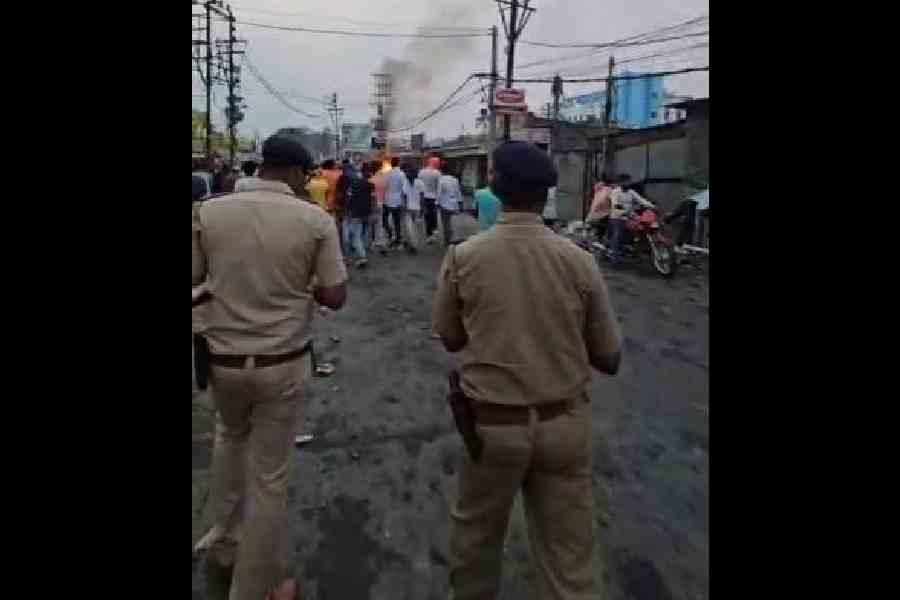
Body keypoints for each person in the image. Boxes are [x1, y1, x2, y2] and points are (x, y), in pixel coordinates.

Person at [432, 141, 622, 600]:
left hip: (492, 429)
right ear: (546, 195)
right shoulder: (579, 260)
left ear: (494, 188)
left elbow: (452, 338)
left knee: (475, 543)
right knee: (569, 558)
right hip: (563, 426)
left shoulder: (463, 258)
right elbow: (609, 357)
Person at [192, 134, 348, 600]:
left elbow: (195, 277)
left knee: (229, 443)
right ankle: (255, 587)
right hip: (281, 363)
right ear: (299, 174)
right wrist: (304, 289)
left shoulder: (210, 212)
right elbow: (336, 296)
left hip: (223, 363)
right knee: (269, 477)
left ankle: (222, 549)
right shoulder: (314, 220)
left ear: (261, 166)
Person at [344, 163, 374, 268]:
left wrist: (347, 210)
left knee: (355, 236)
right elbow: (372, 199)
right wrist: (372, 212)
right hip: (366, 213)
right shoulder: (370, 185)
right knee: (363, 234)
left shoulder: (354, 184)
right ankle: (360, 254)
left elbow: (349, 199)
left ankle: (362, 257)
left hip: (355, 213)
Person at [384, 157, 409, 249]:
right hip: (398, 201)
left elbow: (384, 187)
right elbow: (404, 190)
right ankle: (398, 238)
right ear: (398, 163)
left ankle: (391, 236)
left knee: (387, 220)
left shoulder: (387, 173)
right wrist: (405, 202)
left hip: (387, 201)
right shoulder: (401, 174)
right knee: (397, 221)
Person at [437, 166, 462, 246]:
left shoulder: (441, 180)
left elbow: (439, 193)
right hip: (454, 203)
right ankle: (454, 238)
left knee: (445, 223)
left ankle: (447, 240)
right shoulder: (455, 180)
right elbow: (458, 192)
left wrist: (437, 203)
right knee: (453, 222)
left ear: (442, 172)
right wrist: (460, 202)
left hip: (444, 205)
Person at [419, 157, 442, 244]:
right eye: (438, 163)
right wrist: (438, 200)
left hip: (424, 196)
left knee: (427, 216)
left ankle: (429, 234)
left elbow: (418, 184)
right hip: (433, 197)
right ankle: (433, 232)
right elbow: (439, 188)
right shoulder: (437, 173)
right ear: (434, 163)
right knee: (433, 215)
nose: (439, 164)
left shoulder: (421, 172)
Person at [403, 166, 424, 253]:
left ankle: (413, 244)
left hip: (410, 208)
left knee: (410, 227)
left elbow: (404, 196)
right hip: (415, 208)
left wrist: (404, 206)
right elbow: (422, 197)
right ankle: (413, 244)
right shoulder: (420, 183)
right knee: (413, 227)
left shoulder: (406, 182)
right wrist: (423, 208)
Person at [369, 163, 389, 255]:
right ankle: (380, 241)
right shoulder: (384, 179)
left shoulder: (371, 180)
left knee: (371, 224)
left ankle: (372, 242)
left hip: (373, 203)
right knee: (380, 224)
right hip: (382, 203)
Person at [586, 176, 612, 241]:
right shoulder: (604, 190)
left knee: (599, 231)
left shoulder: (602, 190)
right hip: (602, 216)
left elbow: (596, 204)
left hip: (598, 216)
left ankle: (598, 239)